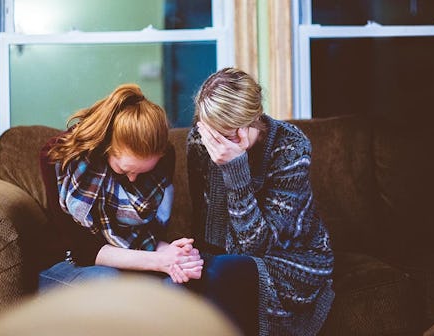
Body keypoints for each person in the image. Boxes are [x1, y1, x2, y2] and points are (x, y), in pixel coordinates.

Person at [186, 68, 335, 336]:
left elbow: (257, 247)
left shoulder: (290, 147)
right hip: (227, 256)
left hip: (292, 259)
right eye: (211, 132)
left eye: (226, 135)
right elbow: (206, 225)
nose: (215, 144)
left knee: (223, 272)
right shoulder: (200, 141)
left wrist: (235, 169)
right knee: (187, 275)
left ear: (252, 120)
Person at [38, 84, 203, 290]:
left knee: (179, 285)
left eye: (142, 172)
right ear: (107, 148)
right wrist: (161, 261)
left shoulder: (164, 160)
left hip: (130, 260)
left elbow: (149, 236)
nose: (133, 180)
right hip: (67, 261)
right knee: (109, 282)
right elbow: (84, 250)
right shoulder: (59, 158)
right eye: (125, 170)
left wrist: (176, 255)